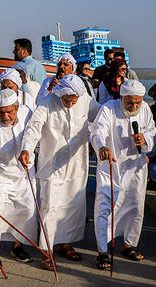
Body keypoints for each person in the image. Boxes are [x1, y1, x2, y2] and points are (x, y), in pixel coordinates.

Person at [19, 75, 99, 270]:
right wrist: (27, 148)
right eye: (67, 99)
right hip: (51, 165)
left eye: (73, 100)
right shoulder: (47, 102)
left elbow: (103, 118)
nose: (70, 103)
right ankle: (47, 250)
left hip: (76, 164)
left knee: (72, 206)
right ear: (60, 94)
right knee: (50, 207)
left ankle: (65, 244)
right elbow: (33, 128)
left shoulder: (86, 101)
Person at [90, 80, 156, 270]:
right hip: (111, 165)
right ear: (121, 98)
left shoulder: (145, 109)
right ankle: (102, 251)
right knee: (105, 206)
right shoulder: (109, 109)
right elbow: (97, 131)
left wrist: (144, 139)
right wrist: (102, 146)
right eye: (130, 102)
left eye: (137, 102)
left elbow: (151, 131)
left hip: (135, 167)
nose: (134, 106)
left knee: (135, 206)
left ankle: (129, 244)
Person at [0, 88, 38, 270]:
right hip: (0, 175)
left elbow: (33, 133)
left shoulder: (26, 112)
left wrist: (28, 151)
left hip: (24, 172)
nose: (5, 116)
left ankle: (17, 246)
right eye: (1, 112)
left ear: (17, 107)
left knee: (28, 210)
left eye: (9, 112)